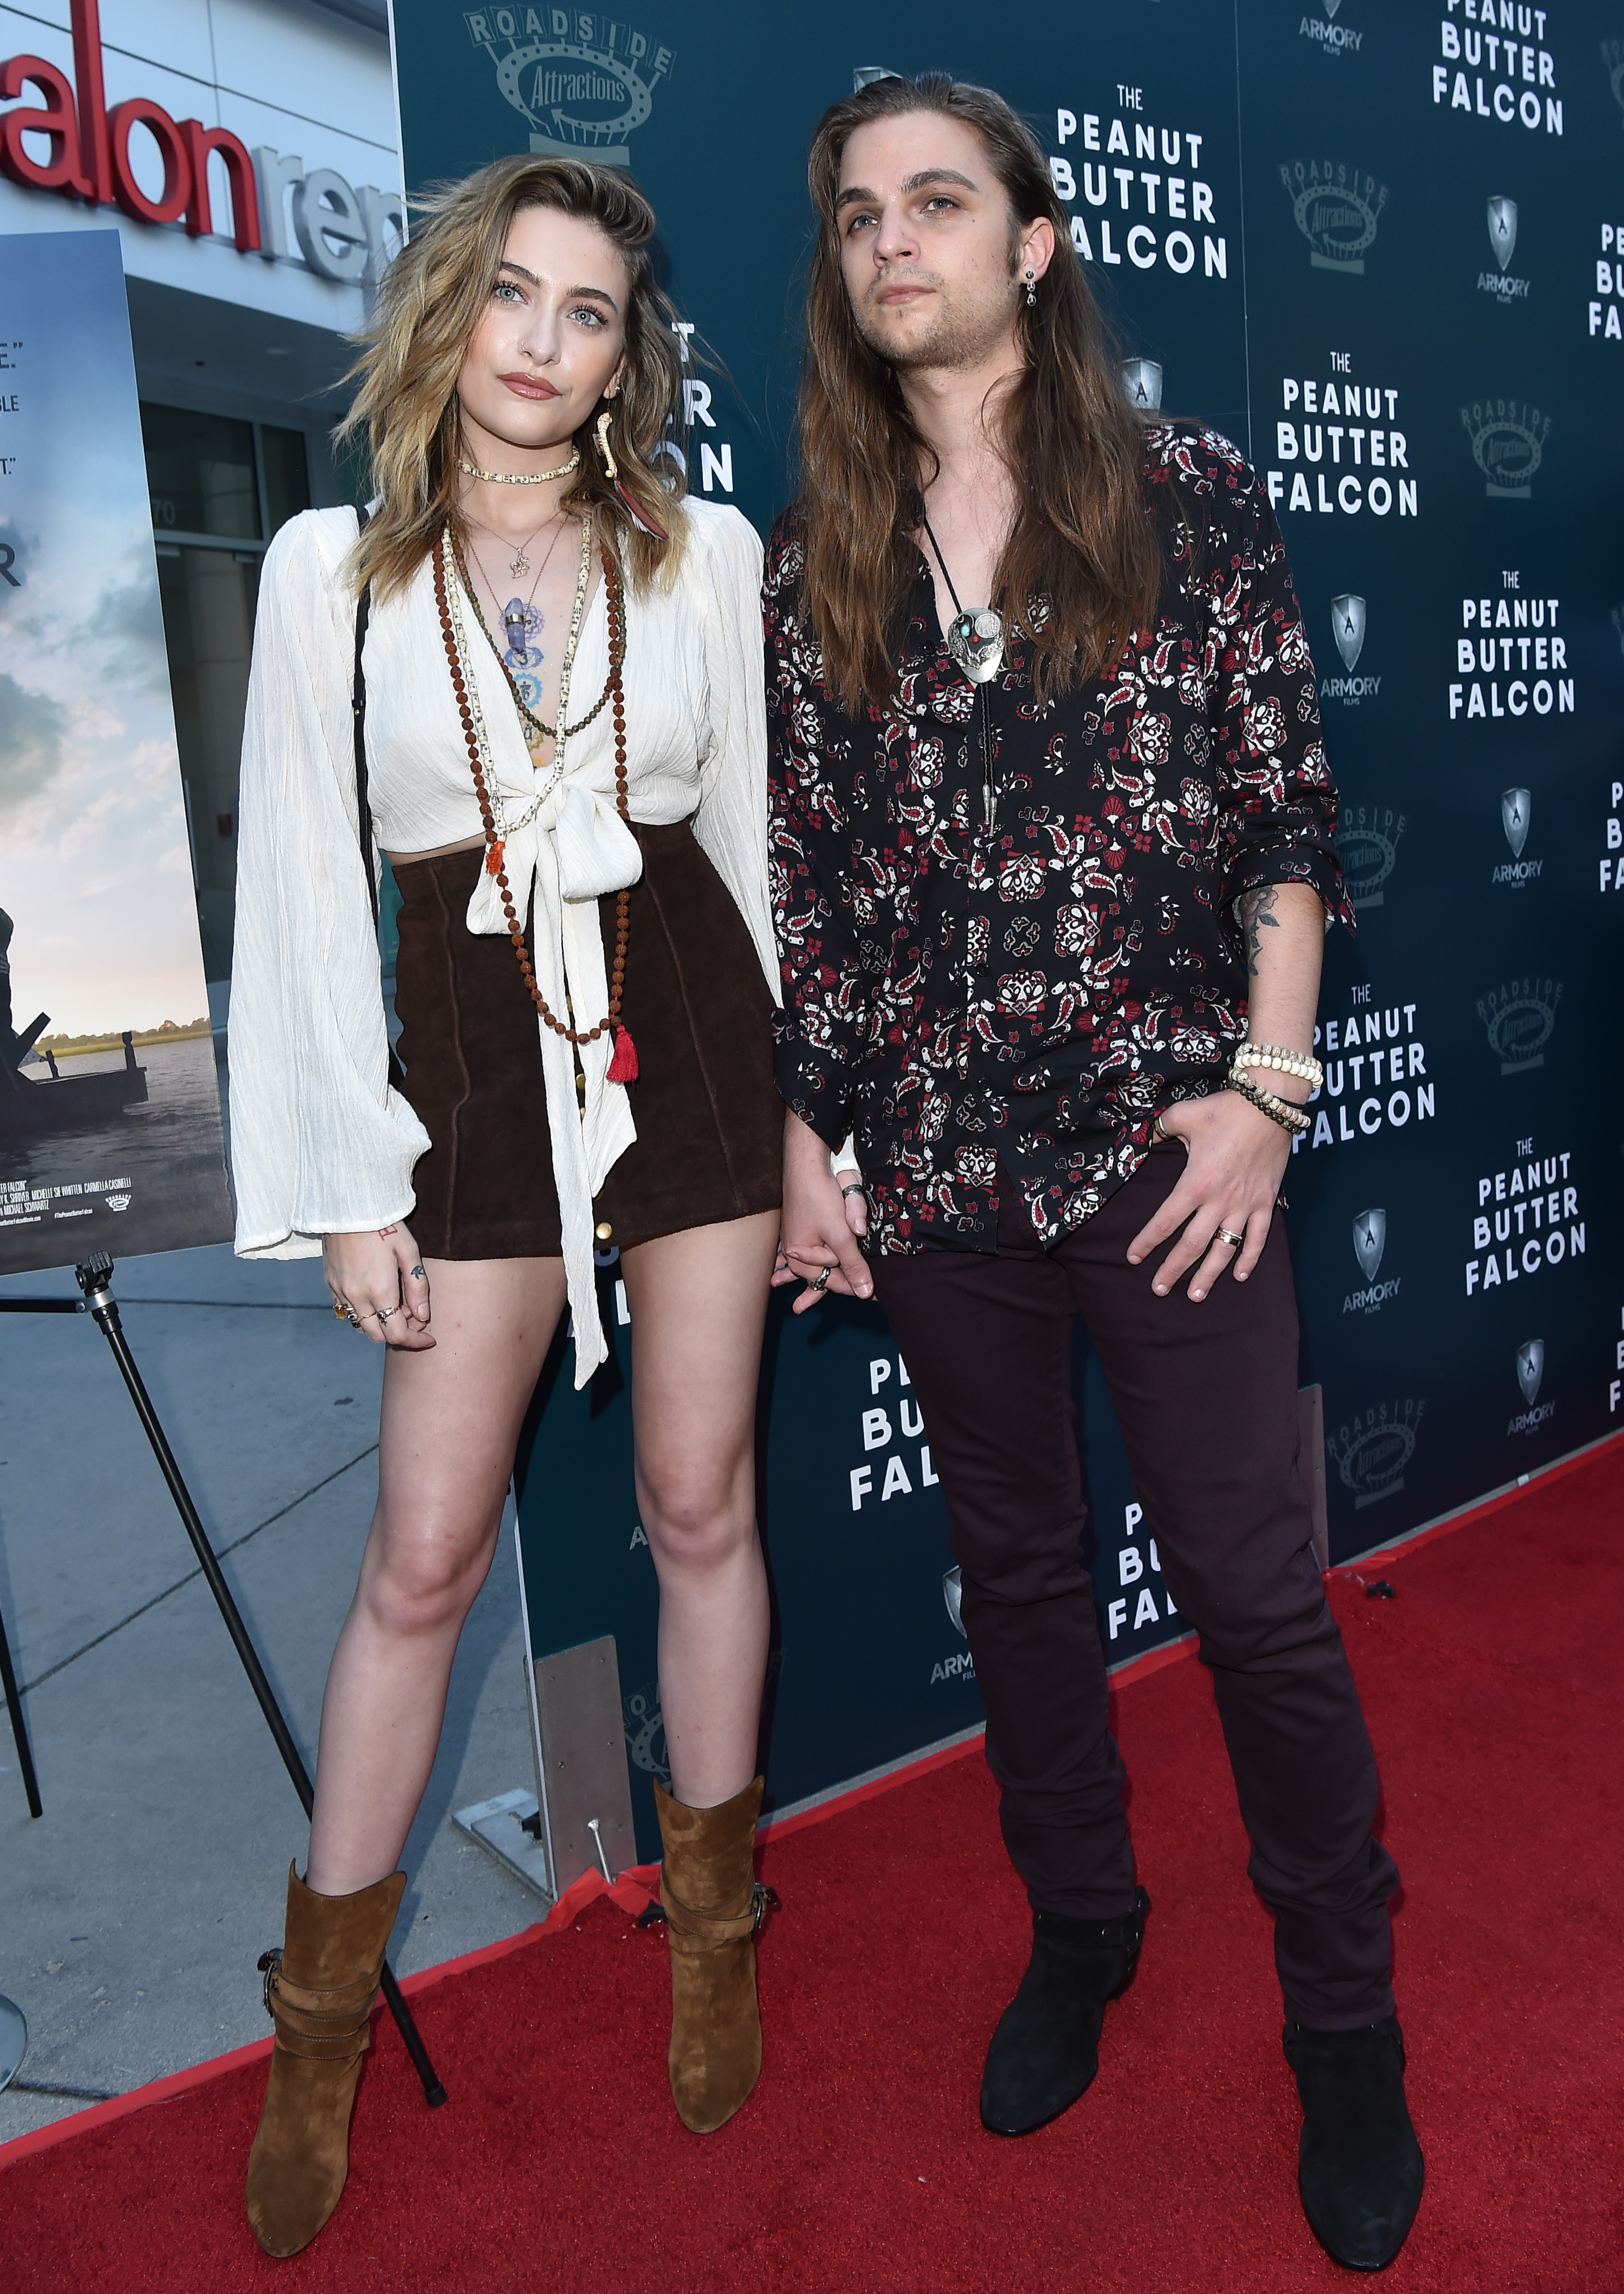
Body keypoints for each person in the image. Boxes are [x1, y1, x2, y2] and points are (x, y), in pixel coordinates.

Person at [766, 73, 1422, 2274]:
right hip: (945, 1170)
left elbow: (1287, 824)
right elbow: (830, 900)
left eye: (938, 203)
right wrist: (801, 1134)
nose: (894, 244)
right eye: (861, 213)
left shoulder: (1191, 497)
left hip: (1173, 1152)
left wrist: (1269, 1087)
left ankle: (1347, 2026)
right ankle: (1084, 1927)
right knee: (1021, 1587)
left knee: (1253, 1601)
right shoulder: (822, 562)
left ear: (1037, 244)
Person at [229, 154, 782, 2260]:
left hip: (697, 1035)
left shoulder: (702, 552)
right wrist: (341, 1177)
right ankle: (315, 2024)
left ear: (631, 352)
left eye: (591, 312)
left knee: (699, 1500)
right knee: (421, 1556)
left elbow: (744, 843)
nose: (546, 344)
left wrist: (802, 1120)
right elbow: (295, 892)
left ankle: (713, 1923)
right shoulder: (322, 574)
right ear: (448, 312)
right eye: (514, 297)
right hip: (457, 1057)